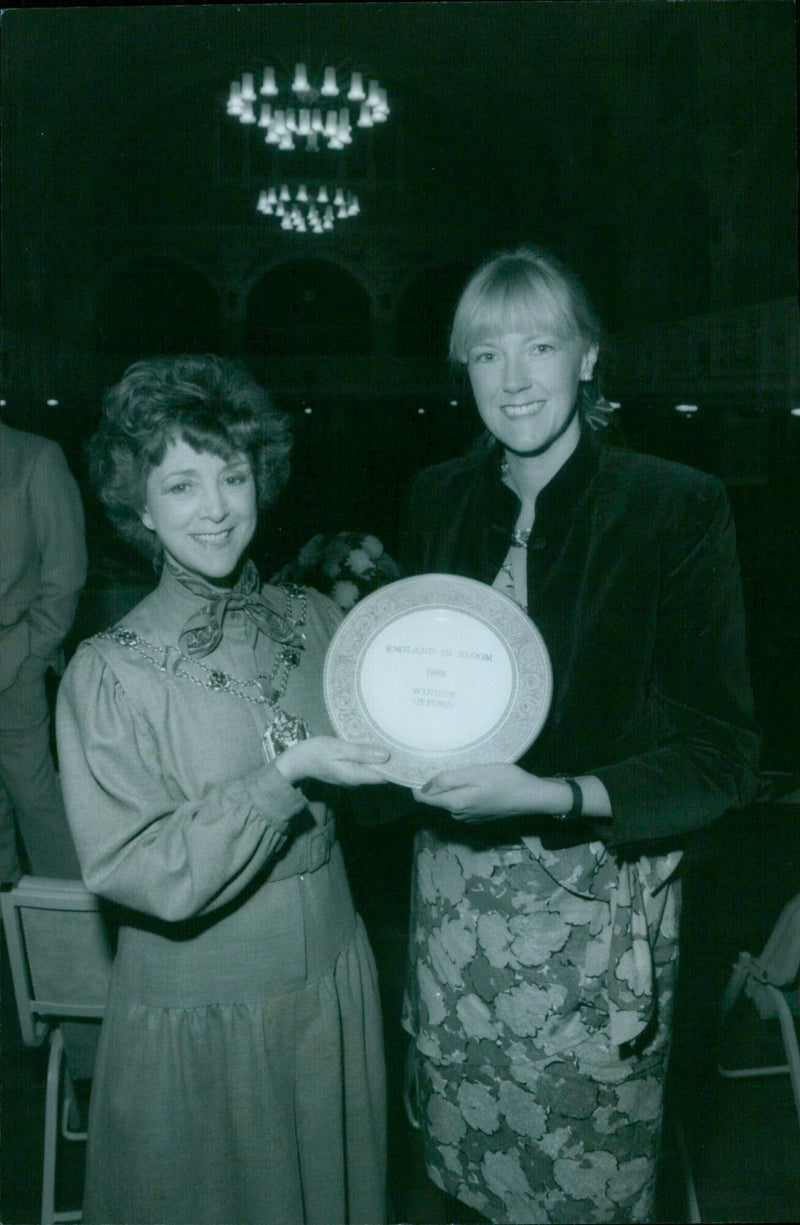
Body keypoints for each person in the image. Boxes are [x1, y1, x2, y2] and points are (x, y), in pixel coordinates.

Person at [398, 246, 760, 1224]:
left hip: (591, 907)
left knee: (584, 1183)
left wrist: (558, 795)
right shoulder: (436, 496)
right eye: (485, 353)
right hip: (452, 903)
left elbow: (720, 751)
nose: (513, 378)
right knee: (467, 1171)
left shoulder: (673, 505)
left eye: (540, 344)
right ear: (461, 367)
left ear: (588, 357)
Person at [56, 355, 388, 1225]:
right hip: (201, 1012)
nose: (214, 507)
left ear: (260, 480)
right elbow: (141, 868)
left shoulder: (317, 620)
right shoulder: (108, 672)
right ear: (139, 506)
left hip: (333, 988)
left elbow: (382, 786)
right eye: (181, 483)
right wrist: (283, 780)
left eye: (232, 476)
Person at [0, 418, 86, 882]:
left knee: (38, 805)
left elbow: (66, 572)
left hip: (12, 662)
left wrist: (30, 655)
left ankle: (70, 933)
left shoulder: (36, 456)